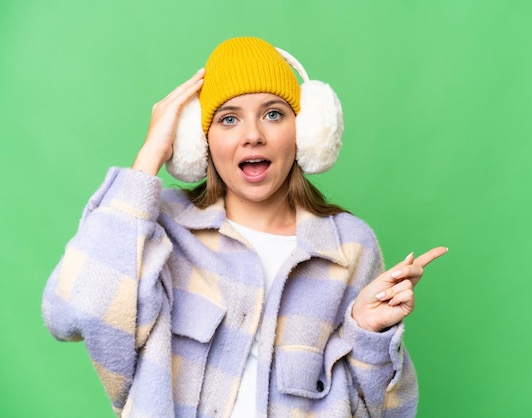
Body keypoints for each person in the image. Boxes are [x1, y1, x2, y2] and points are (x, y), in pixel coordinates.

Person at [42, 37, 447, 418]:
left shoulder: (349, 246)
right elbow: (71, 313)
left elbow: (385, 409)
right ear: (198, 141)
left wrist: (368, 335)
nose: (253, 135)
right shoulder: (156, 228)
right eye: (228, 119)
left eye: (273, 114)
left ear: (306, 132)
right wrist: (148, 157)